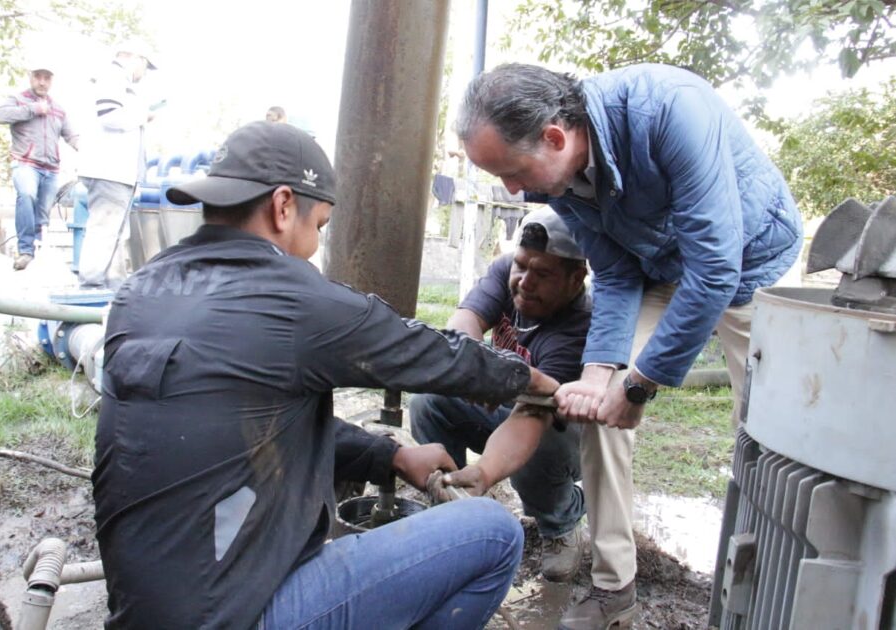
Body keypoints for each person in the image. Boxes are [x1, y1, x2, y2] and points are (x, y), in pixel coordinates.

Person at [91, 120, 560, 629]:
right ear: (284, 205)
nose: (315, 244)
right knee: (493, 532)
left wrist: (392, 456)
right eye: (319, 226)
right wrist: (534, 382)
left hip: (144, 611)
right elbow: (427, 353)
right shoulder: (289, 296)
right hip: (237, 618)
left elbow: (250, 427)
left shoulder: (138, 293)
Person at [456, 63, 803, 629]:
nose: (511, 190)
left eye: (513, 172)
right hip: (656, 268)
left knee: (770, 436)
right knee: (599, 409)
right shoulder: (561, 175)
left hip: (748, 267)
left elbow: (715, 269)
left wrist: (640, 384)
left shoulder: (670, 109)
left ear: (553, 136)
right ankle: (614, 585)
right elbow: (615, 274)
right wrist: (599, 374)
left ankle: (765, 593)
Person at [411, 207, 590, 583]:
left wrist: (486, 471)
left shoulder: (579, 326)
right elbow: (463, 327)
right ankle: (448, 500)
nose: (525, 282)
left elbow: (531, 417)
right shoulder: (507, 270)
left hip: (561, 432)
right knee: (430, 401)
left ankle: (562, 520)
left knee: (538, 449)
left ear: (576, 279)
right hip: (504, 406)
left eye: (542, 274)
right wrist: (474, 373)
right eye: (522, 266)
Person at [76, 41, 158, 289]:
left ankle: (112, 283)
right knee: (105, 228)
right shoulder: (113, 78)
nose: (143, 74)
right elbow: (109, 115)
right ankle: (92, 283)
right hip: (109, 169)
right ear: (136, 58)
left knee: (115, 231)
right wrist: (144, 115)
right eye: (145, 66)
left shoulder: (112, 80)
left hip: (114, 170)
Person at [0, 61, 79, 270]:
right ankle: (25, 250)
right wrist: (32, 109)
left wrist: (88, 151)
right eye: (38, 76)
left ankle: (40, 251)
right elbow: (0, 115)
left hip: (50, 168)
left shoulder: (58, 109)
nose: (42, 82)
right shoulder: (18, 100)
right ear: (31, 77)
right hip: (25, 164)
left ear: (51, 81)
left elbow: (71, 136)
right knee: (26, 195)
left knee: (43, 213)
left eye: (46, 78)